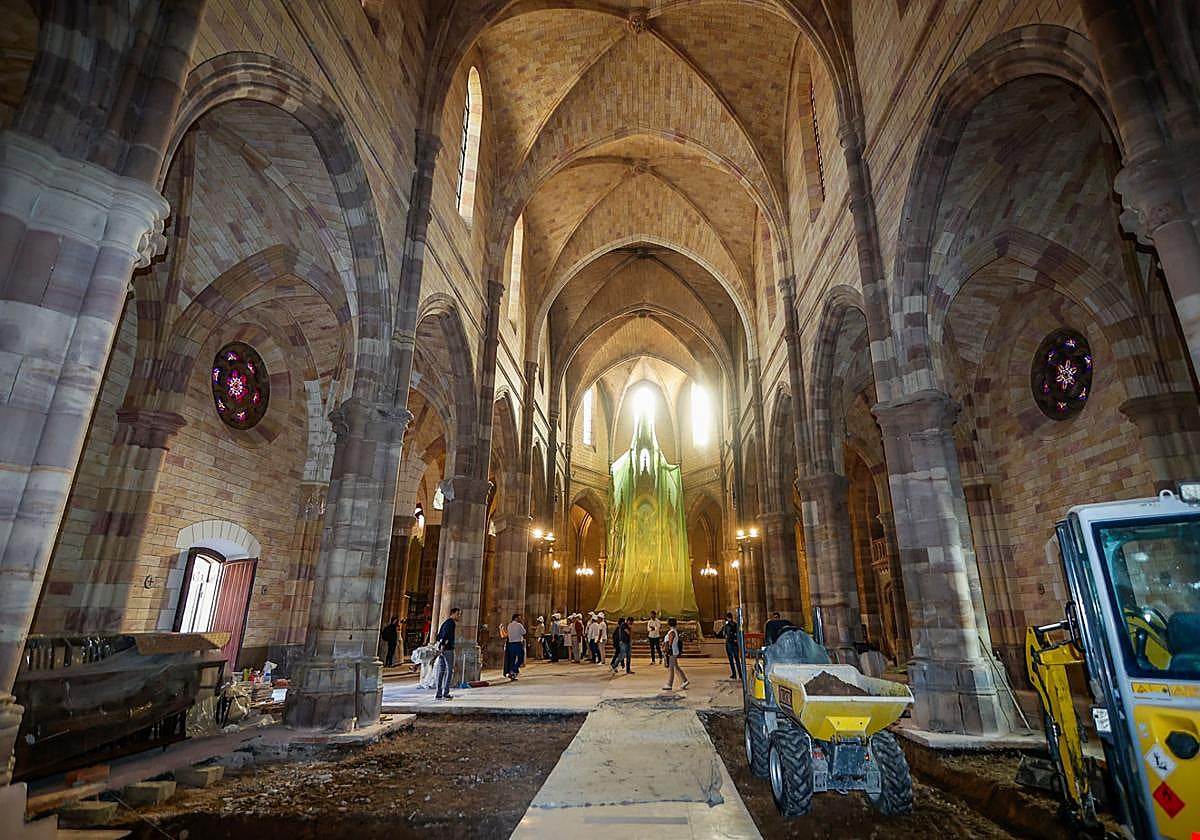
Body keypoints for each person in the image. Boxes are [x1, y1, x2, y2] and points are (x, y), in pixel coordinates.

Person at [434, 607, 461, 700]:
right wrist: (442, 648)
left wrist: (440, 648)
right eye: (457, 614)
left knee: (441, 670)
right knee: (449, 670)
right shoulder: (450, 623)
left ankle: (438, 693)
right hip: (447, 649)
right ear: (452, 614)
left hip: (443, 649)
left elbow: (438, 636)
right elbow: (445, 637)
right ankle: (446, 692)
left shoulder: (445, 623)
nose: (459, 616)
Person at [662, 617, 689, 691]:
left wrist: (666, 649)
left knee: (671, 668)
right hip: (674, 651)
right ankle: (685, 680)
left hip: (672, 652)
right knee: (676, 667)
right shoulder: (674, 631)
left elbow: (670, 642)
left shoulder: (672, 632)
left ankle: (669, 684)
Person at [504, 613, 526, 681]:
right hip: (517, 643)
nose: (520, 619)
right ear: (516, 618)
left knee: (512, 660)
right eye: (519, 618)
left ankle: (512, 675)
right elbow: (524, 632)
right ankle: (513, 670)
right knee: (521, 658)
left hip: (510, 644)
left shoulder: (509, 625)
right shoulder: (519, 625)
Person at [721, 612, 742, 680]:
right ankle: (740, 674)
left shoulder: (727, 626)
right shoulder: (736, 624)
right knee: (737, 659)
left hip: (729, 643)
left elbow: (724, 634)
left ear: (728, 618)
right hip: (735, 643)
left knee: (731, 659)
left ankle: (734, 674)